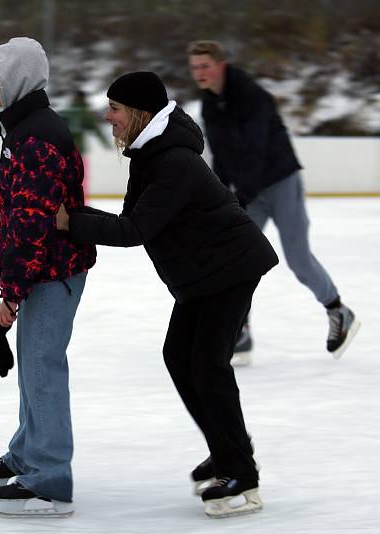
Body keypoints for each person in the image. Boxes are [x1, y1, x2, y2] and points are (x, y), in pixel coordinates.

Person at [56, 71, 278, 518]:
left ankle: (241, 472)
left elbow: (134, 230)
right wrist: (78, 214)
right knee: (180, 356)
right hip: (204, 273)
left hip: (229, 268)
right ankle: (226, 449)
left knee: (207, 365)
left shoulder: (172, 160)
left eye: (115, 109)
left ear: (138, 113)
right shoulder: (149, 155)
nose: (108, 117)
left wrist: (70, 221)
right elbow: (129, 218)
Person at [0, 37, 96, 519]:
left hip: (55, 270)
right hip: (40, 268)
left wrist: (12, 292)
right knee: (33, 364)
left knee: (43, 366)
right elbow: (12, 216)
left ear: (17, 81)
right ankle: (28, 452)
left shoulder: (38, 138)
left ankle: (50, 478)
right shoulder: (22, 130)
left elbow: (33, 224)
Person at [187, 40, 360, 365]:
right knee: (236, 256)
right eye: (194, 67)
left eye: (205, 66)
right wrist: (220, 196)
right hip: (250, 190)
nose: (199, 73)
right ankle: (241, 330)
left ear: (221, 65)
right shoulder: (210, 104)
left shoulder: (251, 94)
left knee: (297, 258)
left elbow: (257, 148)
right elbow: (221, 157)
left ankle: (338, 310)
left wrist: (239, 197)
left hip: (280, 182)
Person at [61, 89, 112, 199]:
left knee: (67, 178)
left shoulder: (68, 111)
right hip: (79, 152)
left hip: (65, 152)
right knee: (80, 178)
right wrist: (106, 143)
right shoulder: (84, 112)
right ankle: (80, 202)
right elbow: (96, 128)